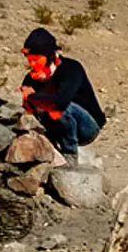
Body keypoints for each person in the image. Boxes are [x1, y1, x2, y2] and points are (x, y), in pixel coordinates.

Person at [19, 27, 106, 157]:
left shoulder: (71, 68)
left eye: (36, 59)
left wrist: (31, 96)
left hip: (87, 126)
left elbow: (61, 102)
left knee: (58, 108)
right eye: (29, 59)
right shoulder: (31, 78)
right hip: (56, 126)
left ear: (48, 55)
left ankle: (69, 154)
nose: (31, 64)